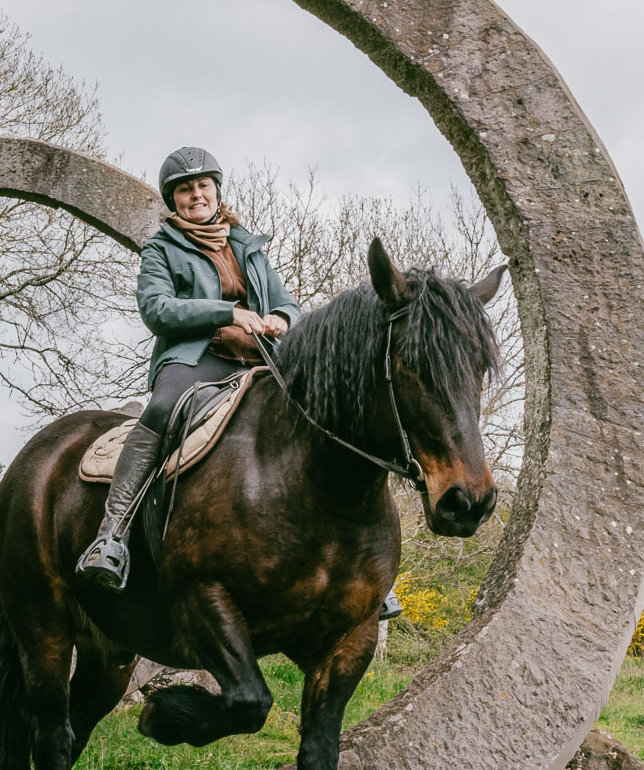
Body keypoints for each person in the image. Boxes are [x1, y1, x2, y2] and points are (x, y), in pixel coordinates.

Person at [76, 145, 403, 622]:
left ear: (215, 190)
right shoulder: (161, 250)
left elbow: (289, 304)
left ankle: (369, 569)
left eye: (202, 186)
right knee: (162, 410)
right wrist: (227, 312)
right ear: (174, 200)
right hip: (196, 359)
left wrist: (279, 319)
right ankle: (111, 537)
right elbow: (157, 310)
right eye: (185, 190)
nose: (196, 195)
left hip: (262, 362)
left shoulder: (247, 246)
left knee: (336, 419)